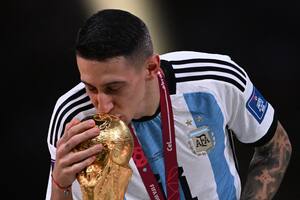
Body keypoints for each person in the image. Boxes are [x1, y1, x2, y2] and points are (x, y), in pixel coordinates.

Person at [45, 9, 292, 200]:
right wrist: (60, 185)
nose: (102, 105)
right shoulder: (71, 116)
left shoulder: (215, 80)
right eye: (90, 87)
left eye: (113, 88)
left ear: (151, 67)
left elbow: (275, 148)